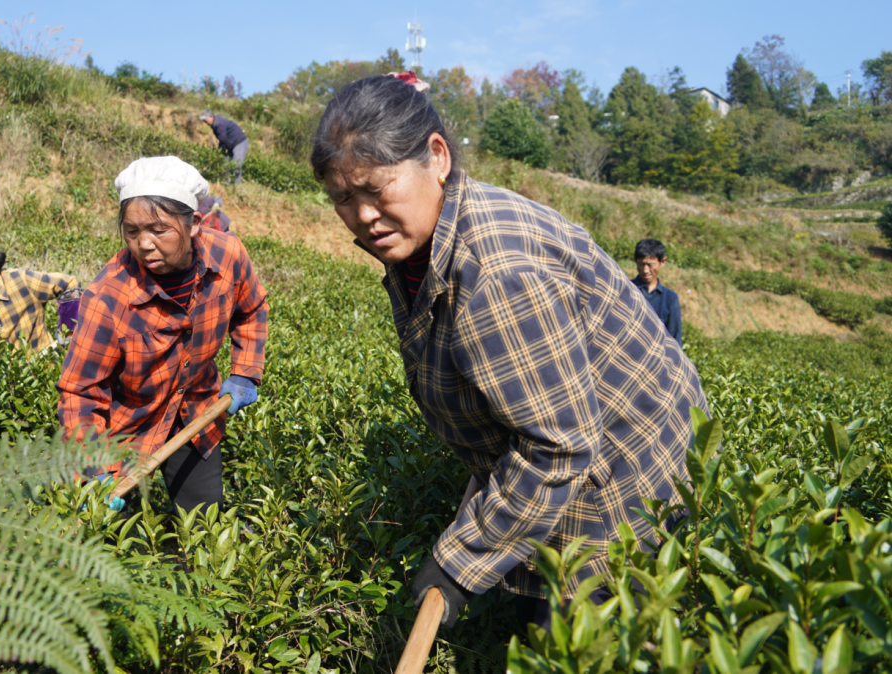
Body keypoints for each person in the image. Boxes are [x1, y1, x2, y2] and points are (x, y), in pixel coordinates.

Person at [310, 73, 707, 632]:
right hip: (593, 459)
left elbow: (558, 446)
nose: (364, 215)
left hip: (630, 483)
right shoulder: (427, 241)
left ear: (437, 157)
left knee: (576, 643)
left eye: (377, 189)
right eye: (343, 198)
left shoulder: (496, 273)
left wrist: (460, 563)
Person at [57, 156, 268, 515]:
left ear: (195, 224)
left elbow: (252, 309)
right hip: (127, 429)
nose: (144, 244)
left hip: (197, 412)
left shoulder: (228, 255)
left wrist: (245, 371)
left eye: (159, 230)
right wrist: (95, 470)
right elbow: (80, 393)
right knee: (122, 542)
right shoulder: (109, 297)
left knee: (204, 523)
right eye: (132, 231)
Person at [633, 238, 682, 346]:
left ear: (662, 262)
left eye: (650, 265)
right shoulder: (627, 289)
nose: (645, 270)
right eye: (641, 264)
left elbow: (674, 339)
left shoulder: (670, 298)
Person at [200, 110, 248, 185]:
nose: (206, 123)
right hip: (230, 145)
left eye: (206, 121)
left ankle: (236, 187)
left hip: (239, 143)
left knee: (236, 165)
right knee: (225, 163)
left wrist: (219, 152)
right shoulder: (216, 123)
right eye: (204, 121)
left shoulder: (218, 124)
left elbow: (223, 139)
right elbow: (223, 140)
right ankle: (226, 184)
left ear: (211, 117)